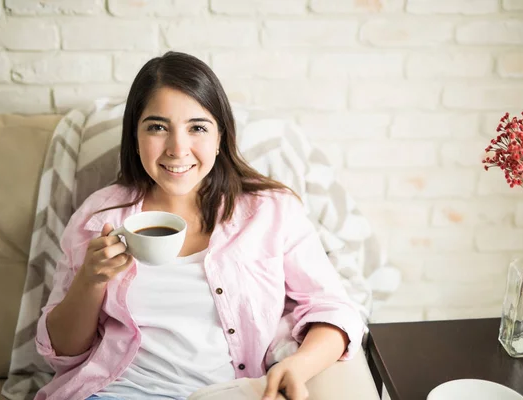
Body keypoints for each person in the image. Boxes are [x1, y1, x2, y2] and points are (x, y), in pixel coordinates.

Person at [34, 51, 366, 400]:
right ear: (135, 136)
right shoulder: (99, 216)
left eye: (197, 128)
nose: (178, 149)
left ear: (221, 137)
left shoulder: (271, 212)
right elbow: (62, 352)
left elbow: (333, 308)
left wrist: (298, 365)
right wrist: (91, 279)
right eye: (158, 127)